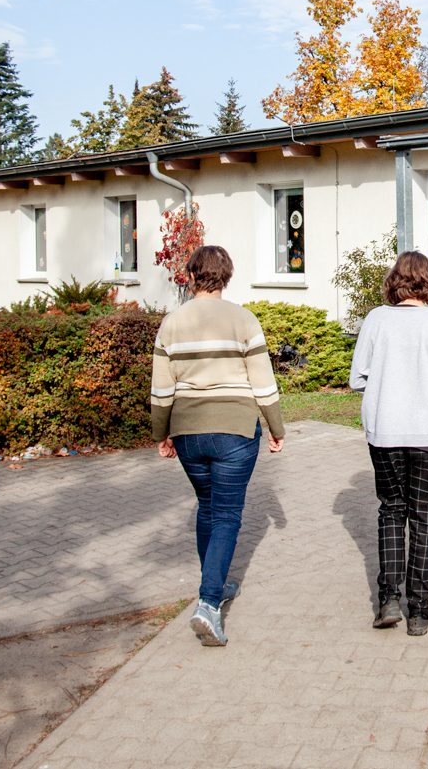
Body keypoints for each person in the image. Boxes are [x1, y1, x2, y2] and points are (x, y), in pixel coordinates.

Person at [152, 244, 284, 647]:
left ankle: (217, 583)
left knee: (207, 507)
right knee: (226, 514)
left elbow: (161, 390)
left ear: (191, 277)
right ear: (225, 277)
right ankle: (209, 603)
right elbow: (263, 383)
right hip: (235, 432)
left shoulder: (171, 324)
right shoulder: (244, 320)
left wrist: (161, 433)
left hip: (189, 432)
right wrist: (276, 427)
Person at [350, 251, 428, 636]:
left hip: (385, 432)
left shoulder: (375, 320)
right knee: (426, 520)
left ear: (394, 281)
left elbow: (357, 379)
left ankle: (388, 599)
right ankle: (419, 608)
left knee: (391, 511)